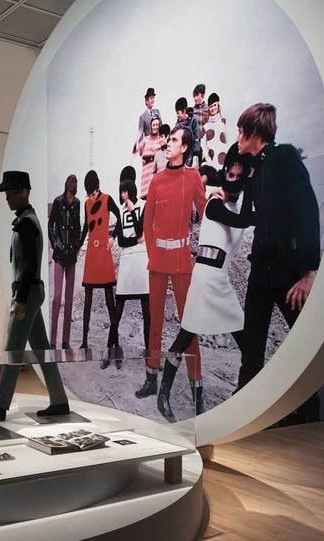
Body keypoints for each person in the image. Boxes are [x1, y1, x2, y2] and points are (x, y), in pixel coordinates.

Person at [234, 103, 320, 391]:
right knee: (251, 350)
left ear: (253, 131)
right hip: (260, 272)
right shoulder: (255, 169)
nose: (237, 136)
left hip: (288, 273)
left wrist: (309, 273)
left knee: (304, 347)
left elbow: (307, 211)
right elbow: (253, 217)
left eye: (240, 130)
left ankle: (306, 408)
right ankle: (244, 404)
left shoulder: (284, 157)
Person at [168, 145, 254, 414]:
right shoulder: (215, 204)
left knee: (244, 339)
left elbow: (247, 217)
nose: (233, 180)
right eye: (230, 174)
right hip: (205, 278)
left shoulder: (234, 205)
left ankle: (247, 392)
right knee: (186, 335)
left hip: (220, 280)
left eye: (239, 176)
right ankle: (163, 394)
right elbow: (244, 220)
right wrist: (249, 185)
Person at [0, 171, 70, 420]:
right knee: (41, 349)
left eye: (11, 193)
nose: (7, 198)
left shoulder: (27, 224)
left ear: (24, 192)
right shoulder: (26, 221)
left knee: (13, 350)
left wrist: (20, 299)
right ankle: (60, 400)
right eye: (7, 193)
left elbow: (29, 265)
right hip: (31, 291)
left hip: (27, 293)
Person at [138, 127, 206, 421]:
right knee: (154, 322)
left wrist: (219, 200)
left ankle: (197, 388)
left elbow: (205, 211)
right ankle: (151, 378)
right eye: (169, 139)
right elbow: (147, 222)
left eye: (174, 140)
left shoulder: (192, 177)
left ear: (185, 148)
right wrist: (152, 255)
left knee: (189, 325)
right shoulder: (156, 180)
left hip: (181, 261)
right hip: (158, 261)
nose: (168, 143)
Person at [79, 170, 122, 353]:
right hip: (91, 254)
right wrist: (78, 246)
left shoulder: (107, 199)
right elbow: (85, 228)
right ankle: (84, 341)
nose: (91, 195)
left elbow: (120, 217)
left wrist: (113, 236)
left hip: (104, 252)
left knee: (110, 300)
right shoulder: (86, 203)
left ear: (97, 187)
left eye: (93, 191)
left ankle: (115, 342)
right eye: (88, 192)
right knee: (87, 299)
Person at [115, 167, 150, 365]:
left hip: (141, 260)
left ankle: (149, 352)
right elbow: (121, 240)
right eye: (121, 192)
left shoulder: (143, 206)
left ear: (131, 190)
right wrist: (136, 241)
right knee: (118, 306)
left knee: (147, 311)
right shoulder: (120, 211)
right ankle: (113, 349)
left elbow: (140, 230)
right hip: (127, 259)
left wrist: (132, 212)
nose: (123, 195)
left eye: (125, 191)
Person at [48, 175, 81, 349]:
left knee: (69, 299)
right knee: (57, 297)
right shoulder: (57, 201)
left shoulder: (77, 203)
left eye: (76, 184)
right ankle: (52, 340)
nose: (74, 187)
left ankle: (65, 341)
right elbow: (50, 225)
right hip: (59, 255)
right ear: (67, 186)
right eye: (72, 184)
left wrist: (76, 246)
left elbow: (78, 227)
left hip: (71, 255)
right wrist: (54, 243)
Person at [138, 116, 166, 199]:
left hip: (156, 168)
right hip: (146, 169)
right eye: (153, 125)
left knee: (155, 192)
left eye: (157, 125)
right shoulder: (145, 139)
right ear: (150, 126)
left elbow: (164, 153)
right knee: (147, 195)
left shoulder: (161, 139)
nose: (155, 127)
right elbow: (139, 151)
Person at [201, 93, 229, 170]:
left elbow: (228, 142)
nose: (213, 108)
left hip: (223, 160)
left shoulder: (224, 122)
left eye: (214, 105)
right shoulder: (205, 126)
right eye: (211, 106)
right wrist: (209, 161)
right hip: (210, 162)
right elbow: (203, 146)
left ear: (218, 106)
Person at [175, 97, 201, 167]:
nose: (177, 116)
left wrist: (195, 156)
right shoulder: (177, 124)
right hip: (180, 156)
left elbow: (196, 139)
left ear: (184, 111)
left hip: (191, 155)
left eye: (178, 113)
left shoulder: (193, 120)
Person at [133, 87, 161, 152]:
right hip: (149, 147)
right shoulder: (142, 117)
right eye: (151, 98)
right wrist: (142, 150)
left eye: (153, 98)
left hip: (158, 145)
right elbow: (140, 135)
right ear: (146, 101)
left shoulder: (157, 112)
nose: (153, 100)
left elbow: (161, 127)